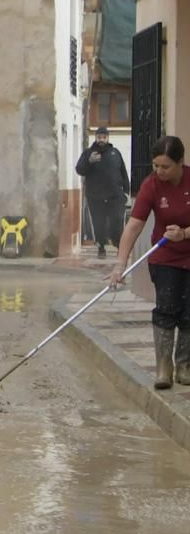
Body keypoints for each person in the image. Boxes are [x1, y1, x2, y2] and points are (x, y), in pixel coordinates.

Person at [109, 135, 190, 388]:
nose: (159, 171)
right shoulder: (152, 185)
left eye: (165, 166)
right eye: (156, 165)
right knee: (167, 308)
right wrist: (120, 264)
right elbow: (134, 226)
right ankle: (164, 369)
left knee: (189, 313)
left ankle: (185, 367)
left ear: (180, 163)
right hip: (164, 255)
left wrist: (185, 234)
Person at [76, 127, 130, 259]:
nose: (101, 140)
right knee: (98, 223)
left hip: (115, 196)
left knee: (116, 222)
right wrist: (89, 162)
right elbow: (79, 170)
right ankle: (101, 247)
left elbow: (123, 172)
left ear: (108, 138)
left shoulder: (115, 153)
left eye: (104, 137)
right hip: (95, 196)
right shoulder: (88, 153)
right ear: (96, 137)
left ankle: (119, 246)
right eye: (99, 137)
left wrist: (126, 192)